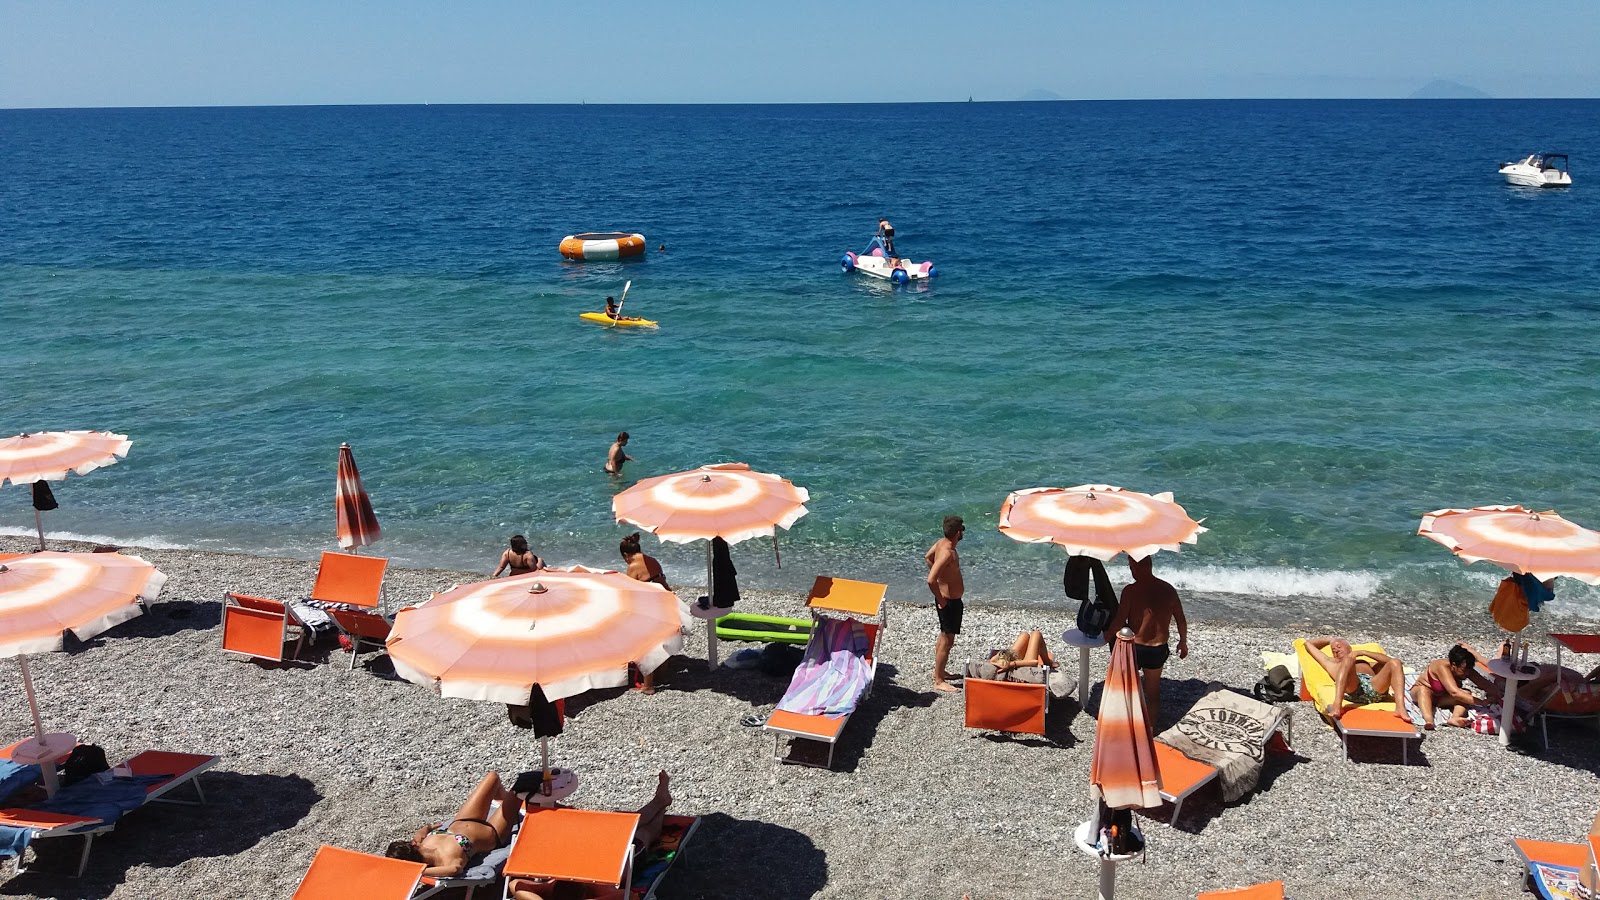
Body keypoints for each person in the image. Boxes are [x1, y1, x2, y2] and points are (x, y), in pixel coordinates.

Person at [508, 772, 674, 900]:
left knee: (628, 826)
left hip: (594, 848)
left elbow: (515, 884)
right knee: (642, 832)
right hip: (617, 860)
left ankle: (661, 802)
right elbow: (630, 896)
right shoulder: (597, 887)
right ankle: (661, 803)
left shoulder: (550, 887)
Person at [386, 771, 523, 878]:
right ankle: (511, 805)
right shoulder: (443, 861)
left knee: (492, 777)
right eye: (410, 845)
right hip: (492, 832)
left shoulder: (420, 844)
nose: (414, 842)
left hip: (463, 819)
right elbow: (455, 869)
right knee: (522, 787)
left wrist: (429, 828)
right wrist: (420, 871)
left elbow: (420, 833)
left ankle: (506, 801)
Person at [1103, 555, 1188, 724]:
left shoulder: (1130, 591)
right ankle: (1149, 730)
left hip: (1135, 647)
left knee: (1128, 688)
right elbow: (1180, 618)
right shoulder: (1168, 589)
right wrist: (1183, 641)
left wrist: (1107, 636)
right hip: (1157, 648)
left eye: (1132, 567)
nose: (1131, 571)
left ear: (1140, 567)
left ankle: (1128, 726)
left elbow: (1120, 620)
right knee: (1153, 692)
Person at [1303, 636, 1409, 722]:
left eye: (1339, 646)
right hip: (1353, 690)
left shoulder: (1363, 661)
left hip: (1374, 689)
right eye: (1333, 650)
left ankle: (1400, 708)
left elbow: (1392, 662)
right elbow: (1308, 644)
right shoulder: (1331, 663)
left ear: (1350, 648)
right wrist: (1331, 639)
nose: (1336, 650)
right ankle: (1337, 705)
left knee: (1396, 662)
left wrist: (1363, 652)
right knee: (1348, 661)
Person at [620, 532, 671, 695]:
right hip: (665, 601)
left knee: (645, 644)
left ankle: (648, 685)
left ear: (626, 555)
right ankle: (662, 675)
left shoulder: (632, 566)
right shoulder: (651, 560)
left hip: (651, 607)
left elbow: (630, 593)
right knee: (661, 640)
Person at [1410, 644, 1501, 729]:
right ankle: (1429, 720)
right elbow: (1454, 692)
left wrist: (1499, 695)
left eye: (1468, 670)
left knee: (1466, 694)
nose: (1467, 673)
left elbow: (1484, 684)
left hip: (1441, 699)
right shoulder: (1441, 666)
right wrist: (1481, 702)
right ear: (1454, 665)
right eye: (1464, 670)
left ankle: (1455, 718)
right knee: (1424, 690)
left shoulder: (1466, 669)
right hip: (1421, 693)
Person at [924, 514, 965, 693]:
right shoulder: (948, 552)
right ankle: (939, 680)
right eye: (962, 530)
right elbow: (931, 580)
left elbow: (928, 557)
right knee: (947, 640)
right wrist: (942, 600)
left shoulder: (941, 543)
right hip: (948, 602)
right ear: (957, 533)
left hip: (949, 600)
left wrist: (943, 578)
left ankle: (939, 672)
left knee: (944, 637)